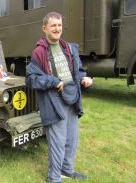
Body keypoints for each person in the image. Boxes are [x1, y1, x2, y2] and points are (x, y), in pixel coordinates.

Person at [25, 12, 93, 183]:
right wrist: (52, 81)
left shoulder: (69, 48)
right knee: (58, 142)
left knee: (71, 138)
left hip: (72, 99)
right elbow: (31, 79)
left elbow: (77, 71)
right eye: (53, 25)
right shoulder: (39, 52)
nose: (57, 29)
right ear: (45, 28)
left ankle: (67, 169)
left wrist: (84, 79)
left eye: (59, 25)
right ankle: (54, 178)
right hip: (53, 102)